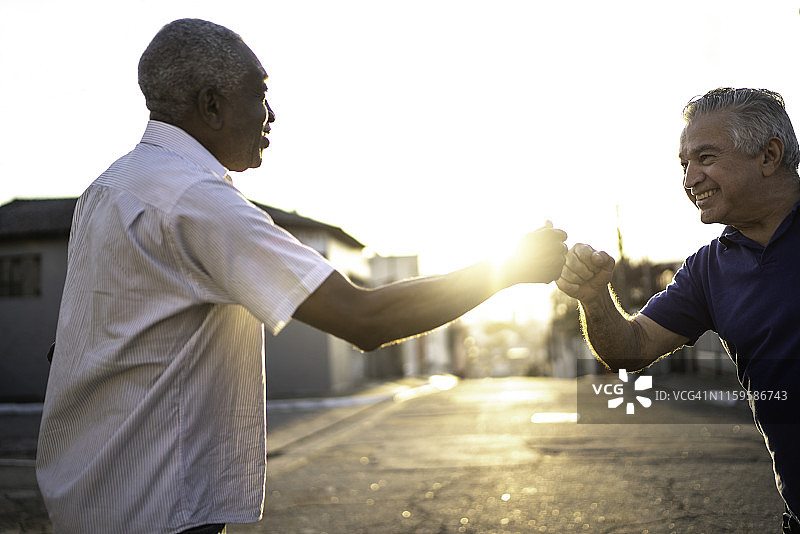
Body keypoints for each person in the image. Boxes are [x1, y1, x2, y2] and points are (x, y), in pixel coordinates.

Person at [35, 18, 568, 534]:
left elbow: (69, 348)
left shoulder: (108, 189)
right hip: (156, 511)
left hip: (89, 495)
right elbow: (365, 318)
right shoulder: (196, 202)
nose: (271, 114)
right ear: (211, 105)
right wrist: (508, 269)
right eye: (259, 94)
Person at [556, 87, 800, 533]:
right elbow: (629, 350)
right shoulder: (708, 270)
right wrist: (594, 297)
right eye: (684, 164)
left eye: (705, 158)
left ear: (768, 155)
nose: (690, 179)